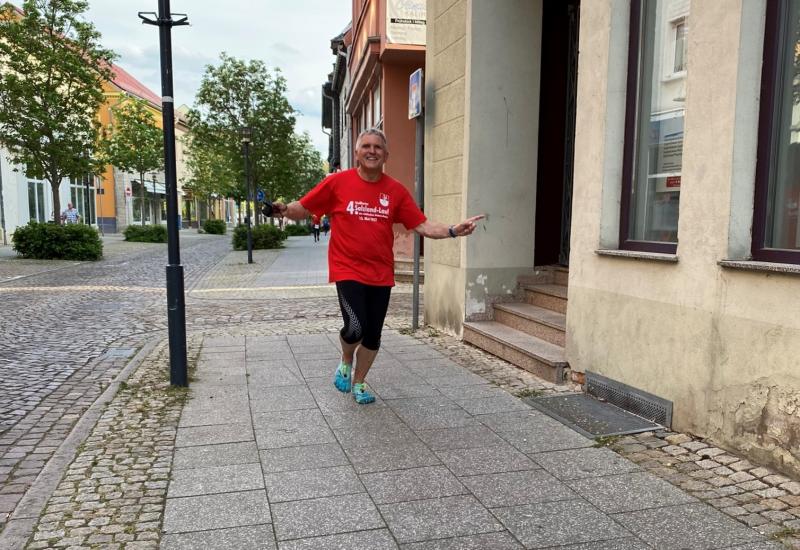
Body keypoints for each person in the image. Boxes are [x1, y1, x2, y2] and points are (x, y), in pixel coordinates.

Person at [273, 128, 484, 404]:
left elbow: (422, 225)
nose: (372, 151)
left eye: (377, 147)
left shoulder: (395, 191)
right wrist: (285, 210)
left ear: (386, 155)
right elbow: (305, 207)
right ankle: (346, 359)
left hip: (380, 273)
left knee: (373, 336)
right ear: (357, 153)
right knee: (355, 327)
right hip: (347, 268)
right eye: (366, 146)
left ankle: (359, 382)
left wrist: (453, 230)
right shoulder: (337, 183)